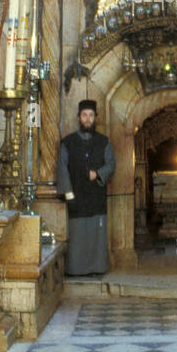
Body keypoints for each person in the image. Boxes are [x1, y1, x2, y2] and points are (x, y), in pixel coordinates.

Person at [56, 100, 115, 276]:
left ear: (95, 118)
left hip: (96, 196)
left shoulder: (104, 141)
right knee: (78, 235)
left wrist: (98, 174)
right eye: (84, 115)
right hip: (76, 197)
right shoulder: (68, 142)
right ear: (79, 117)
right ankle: (77, 269)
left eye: (90, 115)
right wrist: (68, 193)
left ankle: (97, 267)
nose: (87, 119)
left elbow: (111, 164)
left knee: (97, 234)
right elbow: (62, 167)